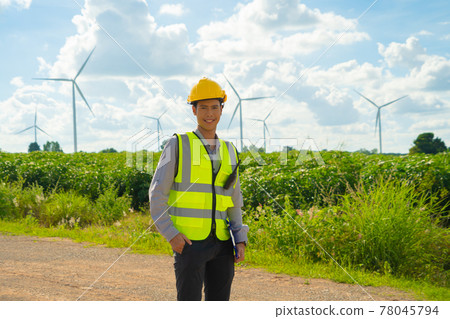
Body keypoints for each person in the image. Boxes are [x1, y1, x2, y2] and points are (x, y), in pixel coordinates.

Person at [149, 77, 248, 301]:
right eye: (203, 107)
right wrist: (171, 235)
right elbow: (157, 194)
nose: (209, 113)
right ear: (194, 110)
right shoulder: (178, 145)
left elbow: (233, 199)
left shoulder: (230, 150)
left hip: (222, 243)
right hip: (189, 244)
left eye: (214, 107)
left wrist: (239, 238)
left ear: (222, 110)